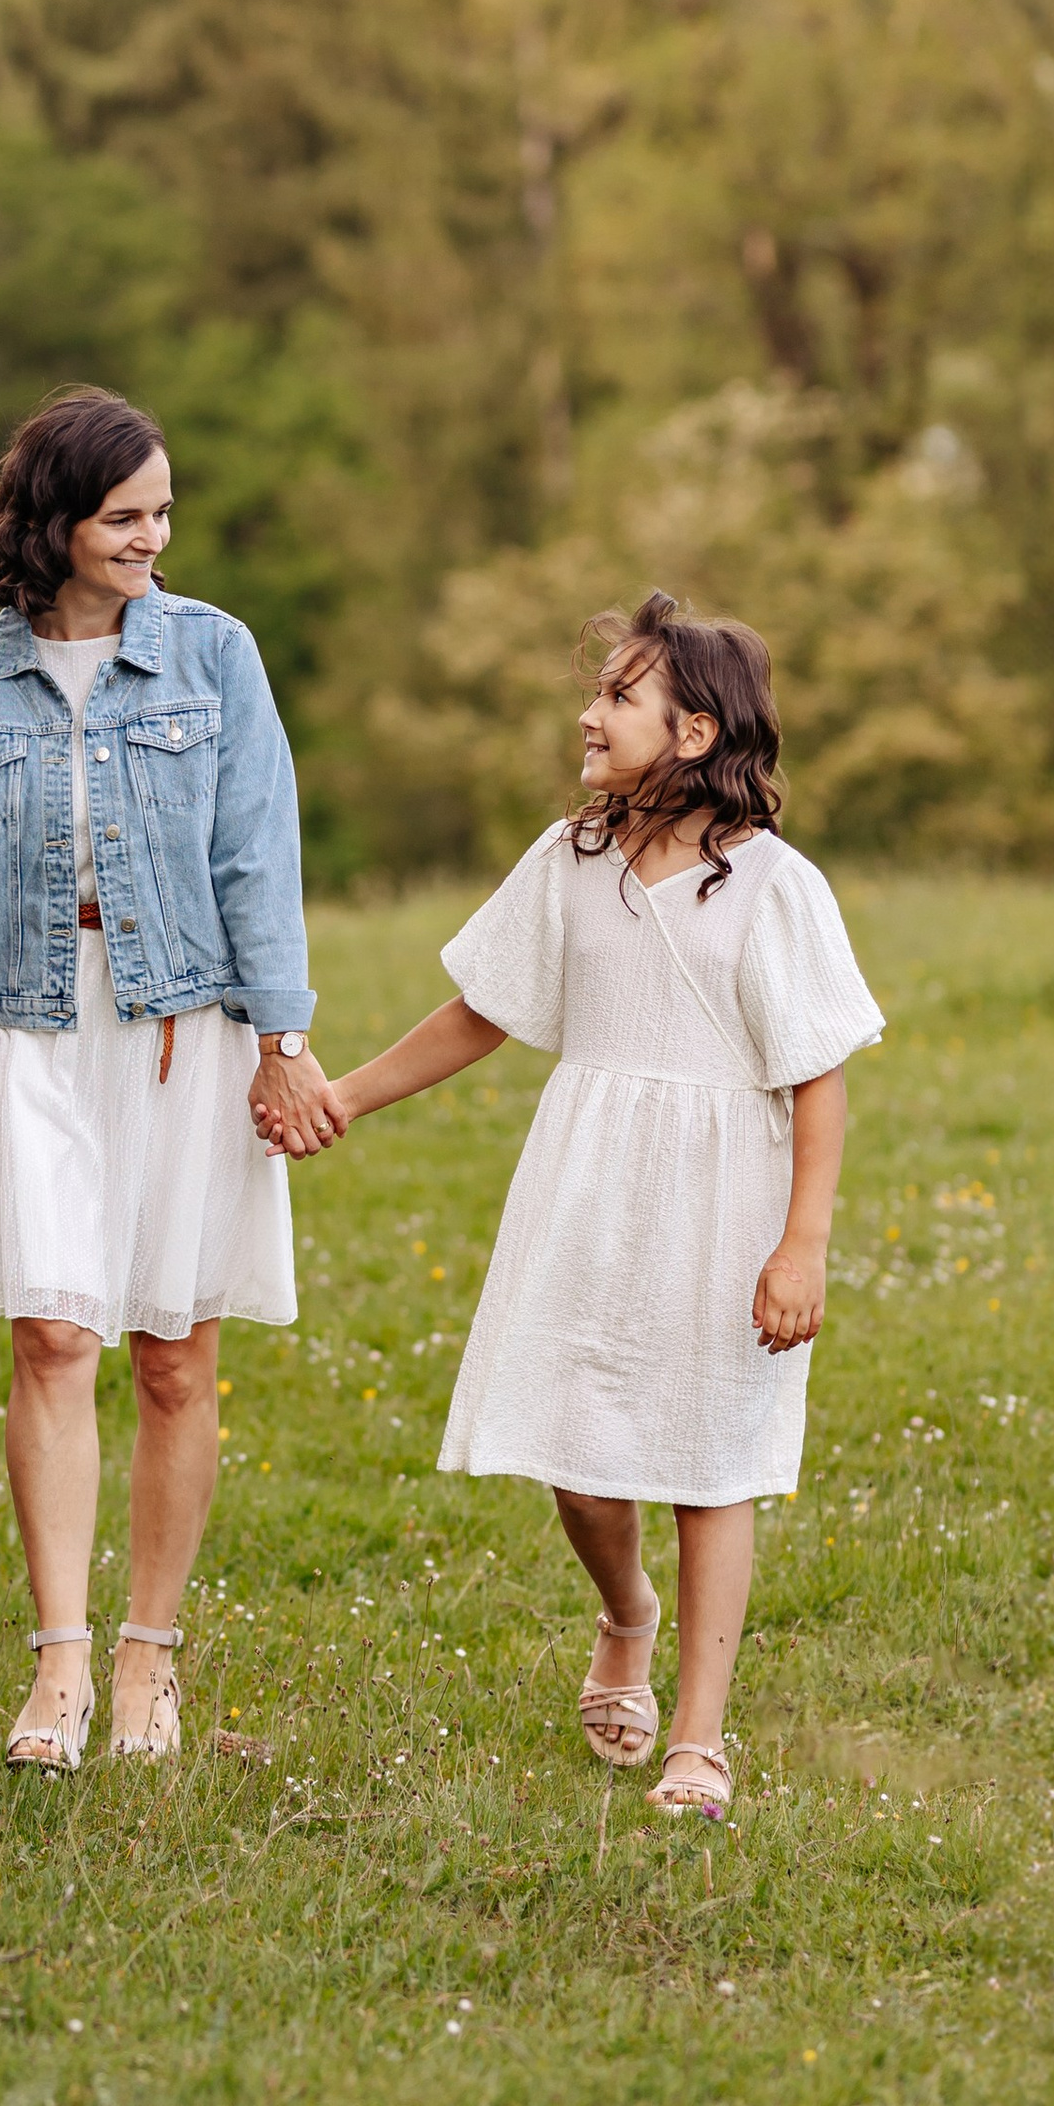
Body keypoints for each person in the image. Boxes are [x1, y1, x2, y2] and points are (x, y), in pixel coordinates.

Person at [291, 589, 880, 1820]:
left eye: (618, 694)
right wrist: (345, 1092)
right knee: (576, 1460)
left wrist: (801, 1243)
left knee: (710, 1462)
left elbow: (818, 1074)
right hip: (587, 1184)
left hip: (723, 1195)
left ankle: (699, 1743)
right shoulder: (569, 861)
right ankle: (626, 1611)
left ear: (696, 732)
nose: (588, 711)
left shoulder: (774, 888)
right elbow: (482, 1010)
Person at [0, 387, 342, 1773]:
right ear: (52, 523)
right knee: (54, 1336)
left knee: (176, 1356)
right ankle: (58, 1664)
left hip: (186, 1024)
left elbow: (258, 854)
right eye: (124, 517)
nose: (150, 539)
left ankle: (148, 1658)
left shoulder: (214, 658)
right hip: (27, 1028)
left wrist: (285, 1045)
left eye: (162, 514)